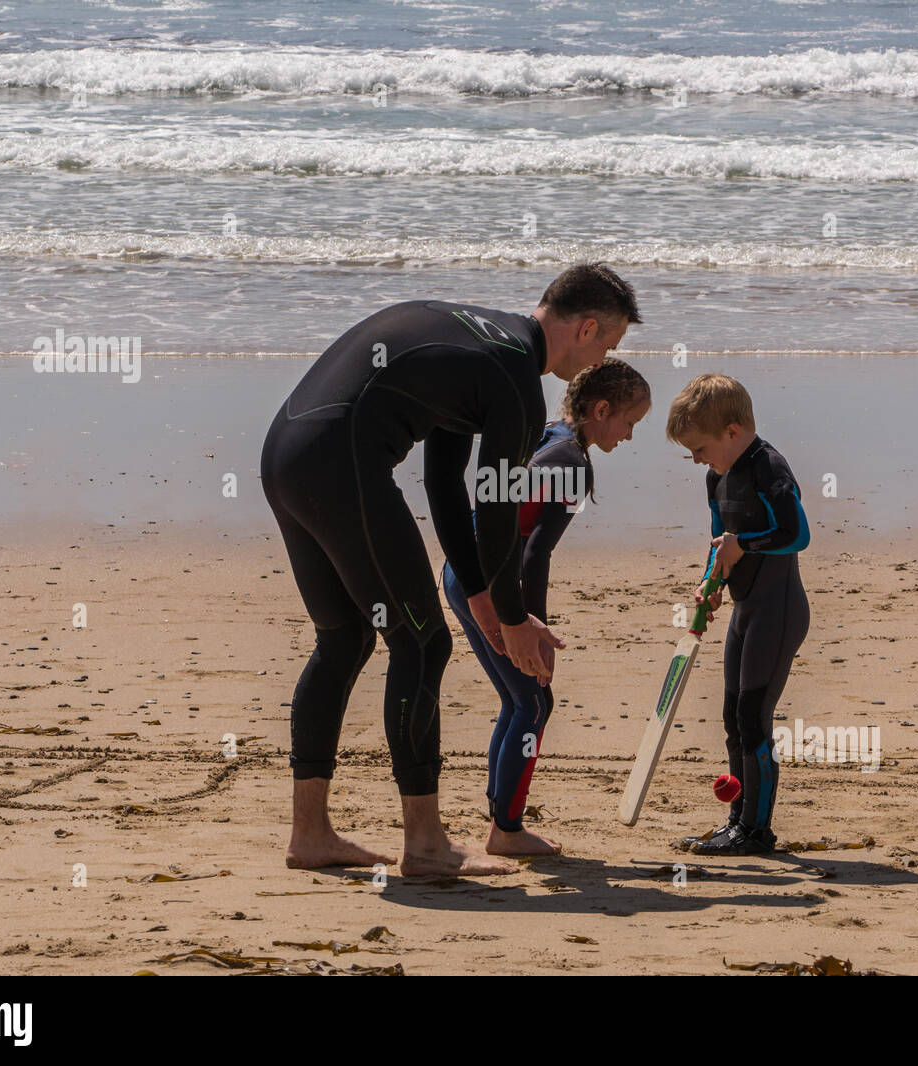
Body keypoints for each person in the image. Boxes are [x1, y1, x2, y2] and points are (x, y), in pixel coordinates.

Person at [259, 263, 642, 876]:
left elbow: (445, 484)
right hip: (341, 465)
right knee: (422, 643)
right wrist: (512, 617)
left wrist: (487, 597)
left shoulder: (484, 343)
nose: (602, 362)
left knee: (344, 638)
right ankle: (426, 845)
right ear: (588, 327)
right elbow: (493, 507)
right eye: (609, 346)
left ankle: (311, 835)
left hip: (285, 455)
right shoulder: (517, 376)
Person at [442, 358, 652, 856]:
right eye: (629, 422)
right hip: (493, 584)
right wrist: (532, 627)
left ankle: (501, 818)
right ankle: (506, 831)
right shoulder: (574, 465)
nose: (628, 435)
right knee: (535, 702)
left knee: (518, 701)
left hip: (462, 571)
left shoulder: (546, 434)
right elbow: (536, 553)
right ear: (600, 409)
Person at [665, 373, 810, 856]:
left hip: (779, 610)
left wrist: (741, 546)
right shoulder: (716, 477)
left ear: (732, 432)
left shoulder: (769, 466)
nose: (697, 459)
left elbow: (796, 533)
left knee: (753, 718)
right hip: (746, 610)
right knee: (732, 717)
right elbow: (719, 541)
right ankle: (737, 822)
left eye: (700, 448)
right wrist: (712, 583)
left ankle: (757, 832)